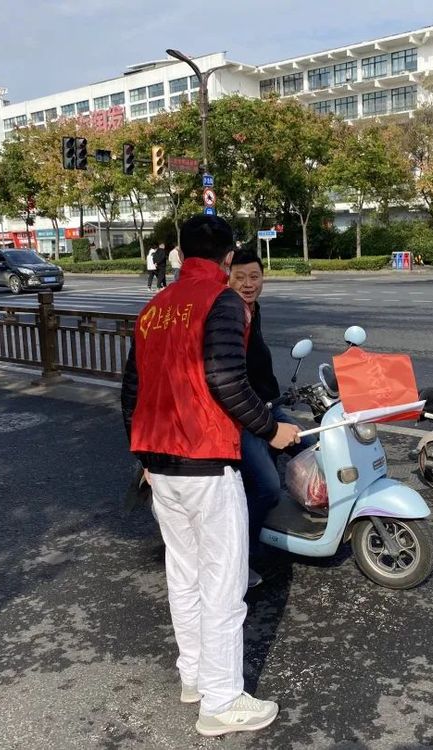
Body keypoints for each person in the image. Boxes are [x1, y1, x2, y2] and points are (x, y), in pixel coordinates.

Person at [121, 215, 299, 737]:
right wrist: (271, 429)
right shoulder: (221, 301)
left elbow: (130, 390)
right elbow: (227, 379)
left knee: (185, 575)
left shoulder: (154, 307)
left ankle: (194, 677)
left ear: (180, 253)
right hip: (206, 461)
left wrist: (143, 456)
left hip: (160, 463)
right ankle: (221, 702)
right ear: (227, 257)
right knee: (223, 584)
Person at [228, 249, 315, 587]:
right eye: (239, 277)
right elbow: (228, 381)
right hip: (245, 415)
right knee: (266, 487)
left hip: (269, 405)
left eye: (254, 277)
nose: (248, 284)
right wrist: (265, 425)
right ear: (226, 279)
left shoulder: (254, 309)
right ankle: (240, 560)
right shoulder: (227, 315)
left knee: (313, 451)